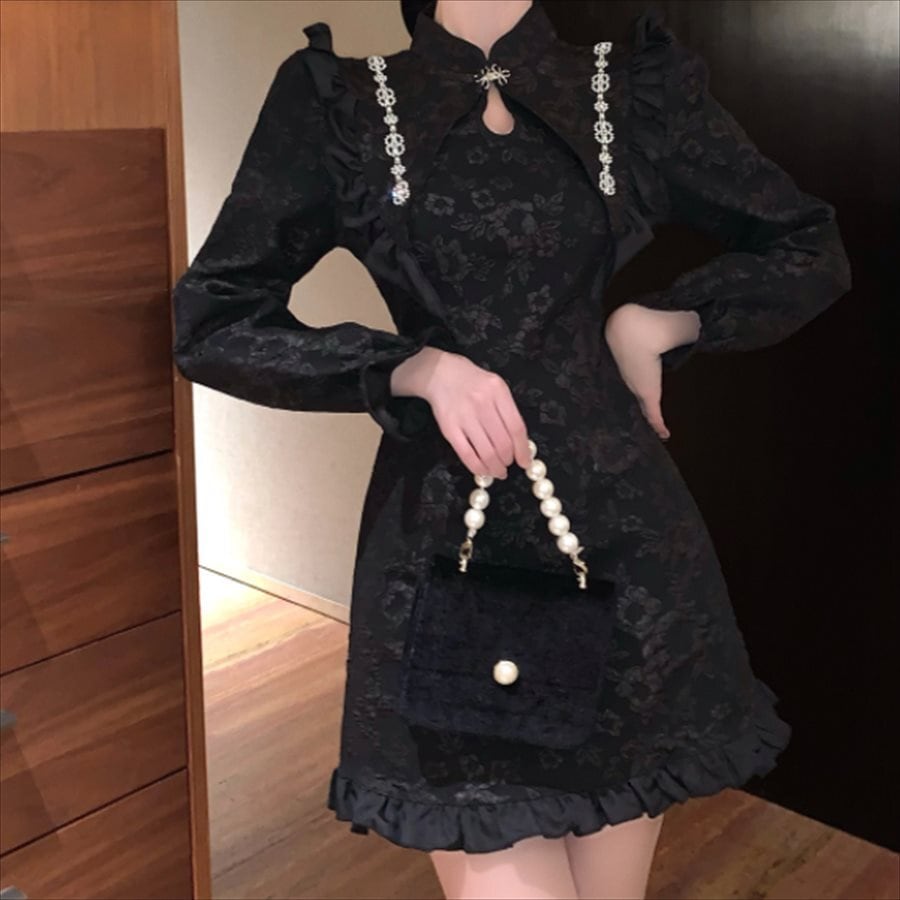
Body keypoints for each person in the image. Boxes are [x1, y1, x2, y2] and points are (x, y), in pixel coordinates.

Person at [171, 1, 852, 897]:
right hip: (448, 547)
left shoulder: (628, 89)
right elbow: (214, 322)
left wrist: (663, 319)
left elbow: (807, 243)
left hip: (624, 545)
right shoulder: (343, 103)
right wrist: (410, 367)